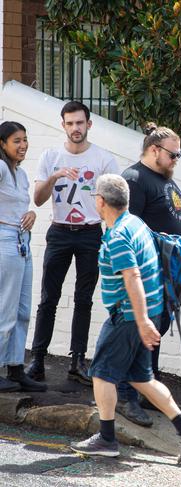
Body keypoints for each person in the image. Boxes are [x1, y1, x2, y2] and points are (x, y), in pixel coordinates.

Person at [70, 174, 181, 463]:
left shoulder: (118, 236)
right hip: (150, 313)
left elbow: (133, 277)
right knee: (140, 377)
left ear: (101, 201)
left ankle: (107, 439)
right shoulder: (136, 224)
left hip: (129, 316)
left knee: (102, 373)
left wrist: (142, 321)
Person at [27, 101, 119, 386]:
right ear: (63, 125)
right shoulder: (51, 156)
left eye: (80, 123)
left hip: (90, 233)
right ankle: (38, 360)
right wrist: (55, 175)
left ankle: (77, 361)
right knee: (48, 299)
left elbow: (114, 205)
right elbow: (39, 199)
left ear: (88, 124)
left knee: (84, 299)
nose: (75, 128)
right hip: (59, 232)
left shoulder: (103, 159)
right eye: (70, 123)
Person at [118, 123, 181, 427]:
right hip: (145, 277)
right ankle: (125, 398)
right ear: (154, 150)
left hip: (166, 279)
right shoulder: (134, 179)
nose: (176, 159)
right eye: (173, 154)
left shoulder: (165, 179)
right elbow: (125, 231)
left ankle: (148, 390)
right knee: (135, 337)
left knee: (152, 338)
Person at [0, 122, 45, 393]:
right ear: (2, 143)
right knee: (5, 309)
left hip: (22, 243)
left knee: (22, 310)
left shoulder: (22, 174)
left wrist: (32, 214)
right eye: (16, 140)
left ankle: (16, 368)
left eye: (25, 140)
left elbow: (21, 207)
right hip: (5, 241)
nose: (23, 145)